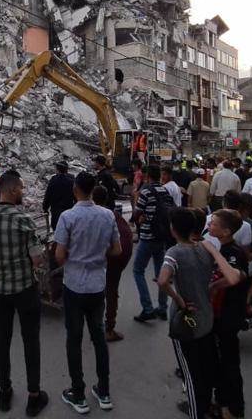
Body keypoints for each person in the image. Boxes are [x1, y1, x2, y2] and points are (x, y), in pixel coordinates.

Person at [0, 172, 49, 416]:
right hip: (25, 291)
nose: (23, 192)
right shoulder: (23, 220)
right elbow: (37, 260)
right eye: (22, 188)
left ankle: (5, 392)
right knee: (31, 341)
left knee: (2, 340)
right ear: (13, 190)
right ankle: (34, 396)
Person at [158, 208, 240, 419]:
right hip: (206, 318)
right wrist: (212, 286)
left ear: (173, 229)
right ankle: (206, 405)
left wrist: (179, 300)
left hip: (185, 322)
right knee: (204, 369)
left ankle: (197, 411)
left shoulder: (174, 252)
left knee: (191, 376)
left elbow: (163, 280)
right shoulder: (205, 249)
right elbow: (232, 277)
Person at [54, 172, 122, 413]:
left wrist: (76, 258)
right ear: (93, 190)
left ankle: (78, 394)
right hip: (97, 286)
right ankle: (104, 391)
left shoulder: (67, 217)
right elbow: (116, 250)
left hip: (74, 285)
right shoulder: (107, 215)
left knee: (74, 339)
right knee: (98, 337)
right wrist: (97, 255)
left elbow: (59, 256)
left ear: (75, 189)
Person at [208, 209, 251, 419]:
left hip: (228, 315)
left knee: (229, 363)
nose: (210, 225)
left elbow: (234, 276)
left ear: (225, 231)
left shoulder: (231, 252)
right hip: (224, 313)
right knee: (223, 361)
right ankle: (223, 402)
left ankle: (233, 409)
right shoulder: (227, 249)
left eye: (214, 223)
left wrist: (213, 286)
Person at [131, 164, 173, 322]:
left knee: (138, 270)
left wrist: (139, 218)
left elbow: (137, 213)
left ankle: (147, 308)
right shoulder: (165, 190)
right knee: (160, 274)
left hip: (147, 236)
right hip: (161, 237)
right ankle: (162, 308)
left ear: (147, 176)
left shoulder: (146, 191)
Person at [91, 186, 132, 342]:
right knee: (110, 291)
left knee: (102, 291)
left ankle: (104, 327)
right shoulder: (113, 215)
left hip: (110, 258)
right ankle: (108, 327)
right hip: (118, 258)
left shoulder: (94, 216)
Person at [42, 161, 76, 231]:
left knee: (57, 230)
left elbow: (48, 195)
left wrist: (45, 208)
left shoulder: (53, 180)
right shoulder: (71, 181)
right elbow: (76, 196)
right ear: (67, 169)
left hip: (56, 212)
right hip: (68, 211)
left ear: (57, 169)